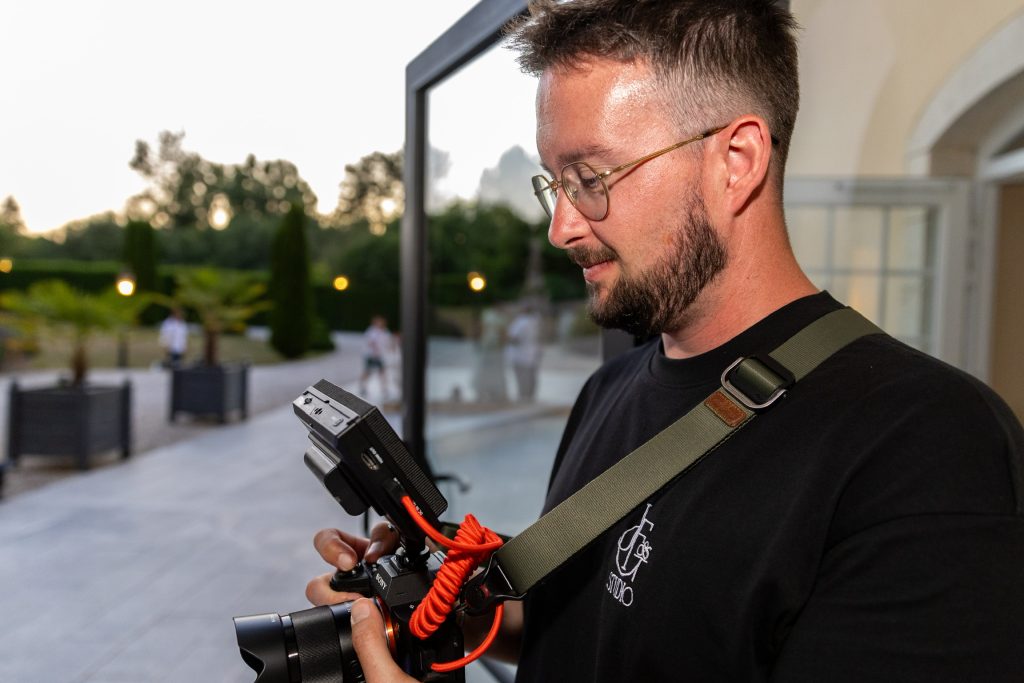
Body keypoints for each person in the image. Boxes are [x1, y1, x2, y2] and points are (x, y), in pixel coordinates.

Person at [306, 1, 1024, 681]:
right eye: (554, 184)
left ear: (736, 160)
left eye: (591, 177)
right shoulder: (609, 389)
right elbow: (594, 630)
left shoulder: (927, 446)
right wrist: (432, 612)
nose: (561, 227)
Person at [506, 303, 543, 402]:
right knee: (531, 377)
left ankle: (524, 397)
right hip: (532, 353)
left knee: (522, 377)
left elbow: (514, 337)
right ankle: (530, 396)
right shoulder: (535, 321)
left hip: (520, 354)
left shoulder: (521, 322)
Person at [359, 315, 393, 399]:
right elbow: (370, 342)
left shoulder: (385, 331)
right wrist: (375, 350)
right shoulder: (372, 331)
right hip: (370, 355)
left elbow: (388, 342)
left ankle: (384, 389)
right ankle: (363, 387)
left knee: (382, 372)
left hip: (379, 356)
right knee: (367, 372)